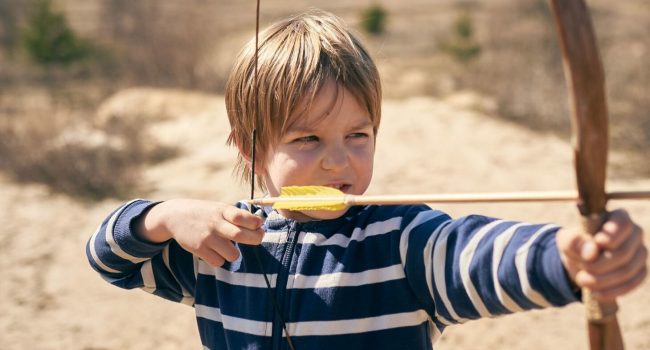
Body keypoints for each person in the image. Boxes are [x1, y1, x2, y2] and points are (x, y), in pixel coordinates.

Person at [86, 10, 647, 350]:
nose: (339, 163)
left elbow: (470, 255)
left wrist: (567, 260)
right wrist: (162, 218)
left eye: (359, 135)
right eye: (307, 140)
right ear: (249, 146)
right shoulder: (222, 243)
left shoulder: (398, 239)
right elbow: (108, 259)